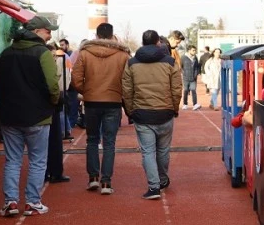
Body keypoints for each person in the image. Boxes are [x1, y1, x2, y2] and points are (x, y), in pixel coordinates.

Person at [0, 15, 60, 217]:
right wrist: (53, 102)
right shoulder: (43, 53)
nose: (50, 35)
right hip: (38, 115)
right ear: (37, 31)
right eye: (48, 31)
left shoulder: (5, 54)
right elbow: (53, 85)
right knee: (38, 160)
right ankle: (32, 202)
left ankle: (11, 202)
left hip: (9, 116)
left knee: (12, 160)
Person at [122, 29, 181, 200]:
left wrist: (131, 110)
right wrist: (174, 108)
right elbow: (176, 89)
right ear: (158, 43)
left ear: (142, 42)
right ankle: (162, 179)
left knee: (148, 152)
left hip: (142, 113)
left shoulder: (132, 63)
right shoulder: (170, 62)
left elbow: (127, 89)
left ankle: (153, 187)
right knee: (163, 150)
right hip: (165, 112)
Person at [72, 22, 129, 194]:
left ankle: (93, 178)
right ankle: (106, 182)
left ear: (96, 35)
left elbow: (75, 79)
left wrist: (87, 91)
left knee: (92, 140)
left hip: (91, 102)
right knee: (109, 142)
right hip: (113, 101)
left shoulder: (84, 53)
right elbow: (127, 81)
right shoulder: (122, 55)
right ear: (112, 36)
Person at [44, 42, 71, 185]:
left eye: (55, 55)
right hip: (49, 107)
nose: (54, 58)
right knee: (49, 142)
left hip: (51, 106)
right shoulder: (46, 68)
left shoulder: (56, 65)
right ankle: (51, 172)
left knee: (53, 141)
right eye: (52, 55)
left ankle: (53, 171)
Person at [57, 38, 80, 133]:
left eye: (63, 45)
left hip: (69, 84)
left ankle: (69, 126)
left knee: (70, 106)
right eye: (60, 45)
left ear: (67, 44)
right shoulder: (64, 55)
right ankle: (68, 127)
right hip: (65, 85)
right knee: (66, 108)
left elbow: (70, 70)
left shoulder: (68, 55)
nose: (61, 46)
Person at [180, 42, 200, 109]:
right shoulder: (183, 57)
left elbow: (197, 66)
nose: (195, 52)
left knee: (193, 90)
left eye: (195, 50)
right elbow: (181, 66)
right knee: (185, 91)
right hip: (186, 78)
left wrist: (196, 74)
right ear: (189, 50)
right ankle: (185, 104)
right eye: (193, 50)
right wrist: (184, 73)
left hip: (193, 78)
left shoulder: (195, 58)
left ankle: (195, 104)